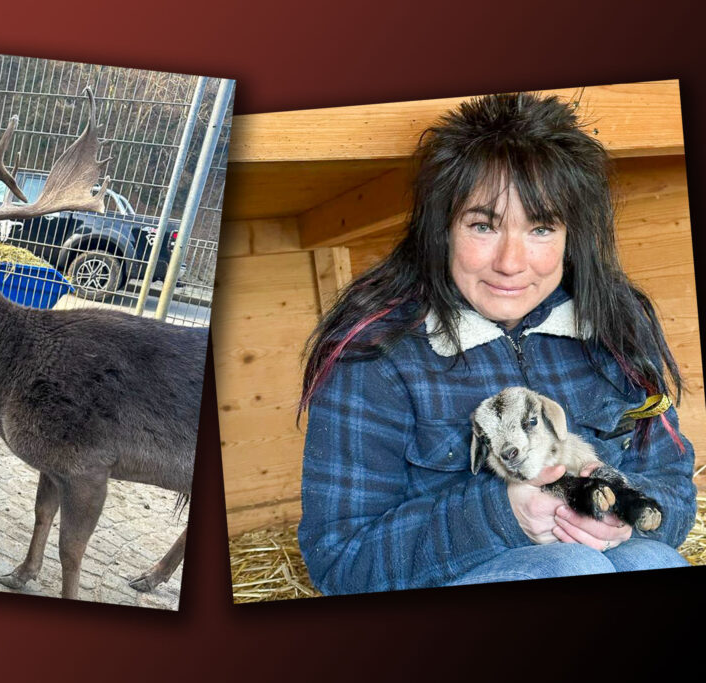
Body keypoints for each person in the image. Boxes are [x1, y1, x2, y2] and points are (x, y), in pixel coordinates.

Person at [297, 92, 697, 595]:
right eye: (483, 225)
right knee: (569, 568)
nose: (511, 262)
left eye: (541, 227)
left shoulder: (615, 328)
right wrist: (500, 516)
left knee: (651, 560)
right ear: (442, 228)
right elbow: (341, 564)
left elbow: (675, 486)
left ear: (572, 236)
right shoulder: (375, 354)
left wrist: (622, 510)